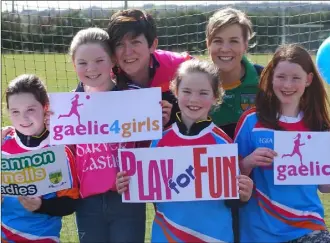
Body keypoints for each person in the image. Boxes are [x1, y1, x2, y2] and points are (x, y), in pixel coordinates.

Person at [116, 59, 253, 242]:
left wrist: (244, 195)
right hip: (168, 235)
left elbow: (233, 200)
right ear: (175, 92)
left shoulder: (223, 144)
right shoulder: (159, 141)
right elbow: (147, 192)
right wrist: (127, 184)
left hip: (213, 236)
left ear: (215, 96)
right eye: (186, 91)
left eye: (203, 93)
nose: (194, 99)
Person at [234, 44, 330, 243]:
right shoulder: (252, 122)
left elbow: (325, 186)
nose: (287, 85)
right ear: (271, 78)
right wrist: (249, 162)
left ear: (309, 80)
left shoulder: (319, 126)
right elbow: (229, 176)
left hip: (307, 228)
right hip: (259, 232)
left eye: (296, 78)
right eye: (281, 77)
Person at [1, 74, 79, 242]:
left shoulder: (59, 149)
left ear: (45, 107)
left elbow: (70, 203)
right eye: (15, 111)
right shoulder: (3, 145)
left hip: (44, 238)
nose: (23, 118)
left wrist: (41, 206)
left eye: (30, 109)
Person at [106, 8, 193, 126]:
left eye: (135, 42)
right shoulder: (106, 77)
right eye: (119, 44)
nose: (128, 52)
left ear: (152, 45)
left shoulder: (179, 66)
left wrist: (174, 116)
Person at [206, 7, 264, 139]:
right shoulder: (195, 84)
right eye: (218, 41)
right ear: (207, 44)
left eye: (234, 41)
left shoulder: (265, 79)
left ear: (245, 45)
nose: (225, 49)